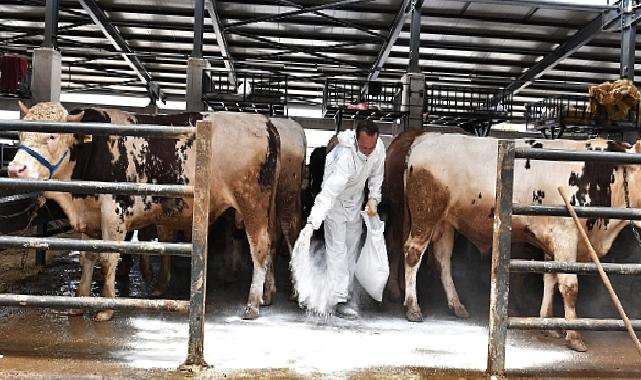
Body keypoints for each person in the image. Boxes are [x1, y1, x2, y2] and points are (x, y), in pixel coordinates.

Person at [299, 119, 386, 319]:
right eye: (363, 147)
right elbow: (328, 193)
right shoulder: (344, 157)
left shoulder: (377, 149)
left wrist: (373, 197)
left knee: (352, 246)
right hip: (335, 204)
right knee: (337, 249)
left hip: (355, 201)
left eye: (370, 147)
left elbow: (376, 175)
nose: (367, 151)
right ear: (356, 141)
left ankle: (346, 292)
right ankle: (339, 299)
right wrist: (313, 222)